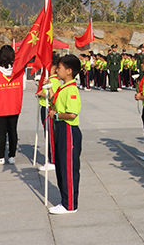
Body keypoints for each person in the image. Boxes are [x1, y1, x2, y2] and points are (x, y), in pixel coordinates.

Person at [49, 54, 82, 215]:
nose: (57, 70)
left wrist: (56, 115)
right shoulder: (63, 88)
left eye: (59, 68)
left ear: (69, 71)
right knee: (61, 166)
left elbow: (71, 114)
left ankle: (70, 204)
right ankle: (64, 200)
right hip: (61, 128)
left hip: (68, 129)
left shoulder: (72, 90)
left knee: (68, 167)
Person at [0, 45, 26, 165]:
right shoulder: (20, 71)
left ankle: (0, 157)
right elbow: (23, 87)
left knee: (1, 132)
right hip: (14, 104)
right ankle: (12, 156)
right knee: (13, 131)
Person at [35, 57, 60, 172]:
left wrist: (41, 93)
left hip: (48, 109)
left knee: (50, 134)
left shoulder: (53, 81)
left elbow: (53, 97)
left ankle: (53, 160)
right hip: (44, 108)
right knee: (48, 134)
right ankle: (52, 158)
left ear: (54, 68)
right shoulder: (50, 79)